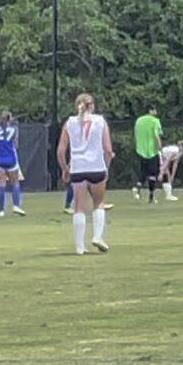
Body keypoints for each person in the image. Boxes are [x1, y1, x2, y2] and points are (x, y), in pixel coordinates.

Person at [56, 93, 113, 255]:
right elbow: (108, 150)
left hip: (78, 168)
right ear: (92, 106)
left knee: (79, 208)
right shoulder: (100, 121)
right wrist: (106, 167)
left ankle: (80, 246)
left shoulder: (70, 123)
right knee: (99, 203)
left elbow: (60, 151)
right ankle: (97, 236)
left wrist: (64, 169)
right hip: (96, 167)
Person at [0, 111, 26, 217]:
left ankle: (1, 211)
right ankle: (16, 205)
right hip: (10, 158)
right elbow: (16, 144)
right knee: (15, 183)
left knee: (1, 184)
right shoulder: (14, 129)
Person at [133, 106, 163, 204]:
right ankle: (151, 196)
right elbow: (156, 135)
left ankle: (137, 187)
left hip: (141, 150)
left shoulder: (138, 121)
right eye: (154, 109)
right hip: (152, 151)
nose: (156, 111)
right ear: (150, 110)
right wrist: (159, 146)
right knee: (153, 174)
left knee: (144, 171)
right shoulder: (155, 121)